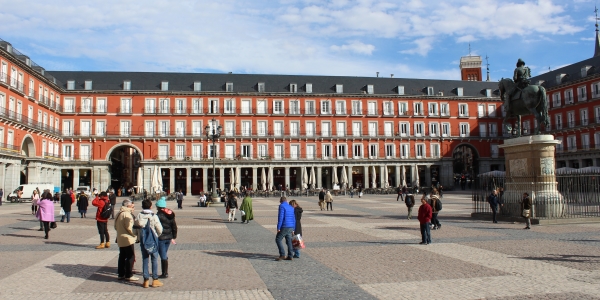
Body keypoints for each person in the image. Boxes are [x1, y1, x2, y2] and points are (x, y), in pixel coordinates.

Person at [135, 199, 164, 288]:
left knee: (145, 259)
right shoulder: (153, 216)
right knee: (154, 259)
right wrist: (157, 235)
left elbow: (135, 228)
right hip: (153, 240)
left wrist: (138, 237)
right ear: (151, 206)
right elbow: (159, 228)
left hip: (143, 241)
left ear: (142, 206)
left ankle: (146, 280)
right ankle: (155, 279)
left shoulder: (139, 215)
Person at [115, 199, 139, 281]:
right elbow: (129, 228)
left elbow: (115, 226)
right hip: (128, 238)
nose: (133, 207)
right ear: (128, 206)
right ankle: (129, 274)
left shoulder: (119, 213)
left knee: (122, 256)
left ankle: (121, 274)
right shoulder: (127, 214)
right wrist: (135, 235)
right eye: (132, 206)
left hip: (120, 237)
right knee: (130, 256)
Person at [155, 197, 177, 278]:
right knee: (164, 253)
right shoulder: (170, 214)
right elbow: (174, 226)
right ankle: (165, 271)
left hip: (161, 237)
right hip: (169, 237)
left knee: (163, 254)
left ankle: (165, 273)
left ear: (158, 207)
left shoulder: (158, 215)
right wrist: (174, 236)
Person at [275, 196, 296, 261]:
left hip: (285, 226)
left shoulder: (281, 206)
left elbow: (280, 217)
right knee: (289, 241)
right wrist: (293, 228)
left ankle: (282, 254)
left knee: (278, 239)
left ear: (280, 201)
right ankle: (290, 255)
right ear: (286, 201)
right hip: (291, 226)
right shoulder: (291, 207)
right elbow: (294, 218)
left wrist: (278, 227)